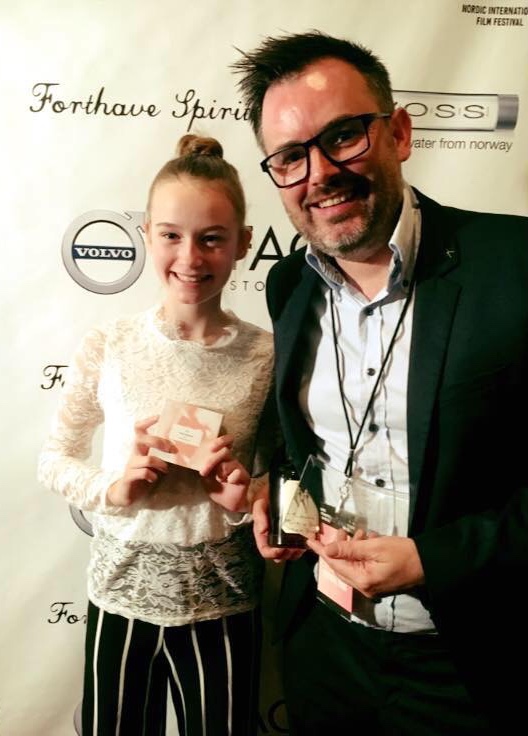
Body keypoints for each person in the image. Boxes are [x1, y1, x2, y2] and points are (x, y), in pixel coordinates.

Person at [232, 30, 528, 735]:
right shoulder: (287, 285)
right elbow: (313, 439)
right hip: (326, 649)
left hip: (478, 667)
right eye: (291, 157)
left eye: (343, 136)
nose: (320, 172)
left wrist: (435, 558)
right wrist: (279, 497)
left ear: (398, 132)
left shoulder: (514, 266)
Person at [37, 134, 276, 736]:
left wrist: (246, 499)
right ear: (146, 234)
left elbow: (284, 482)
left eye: (212, 238)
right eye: (171, 234)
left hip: (224, 599)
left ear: (244, 244)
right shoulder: (108, 345)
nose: (190, 257)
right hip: (120, 594)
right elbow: (54, 458)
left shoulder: (267, 358)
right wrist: (112, 491)